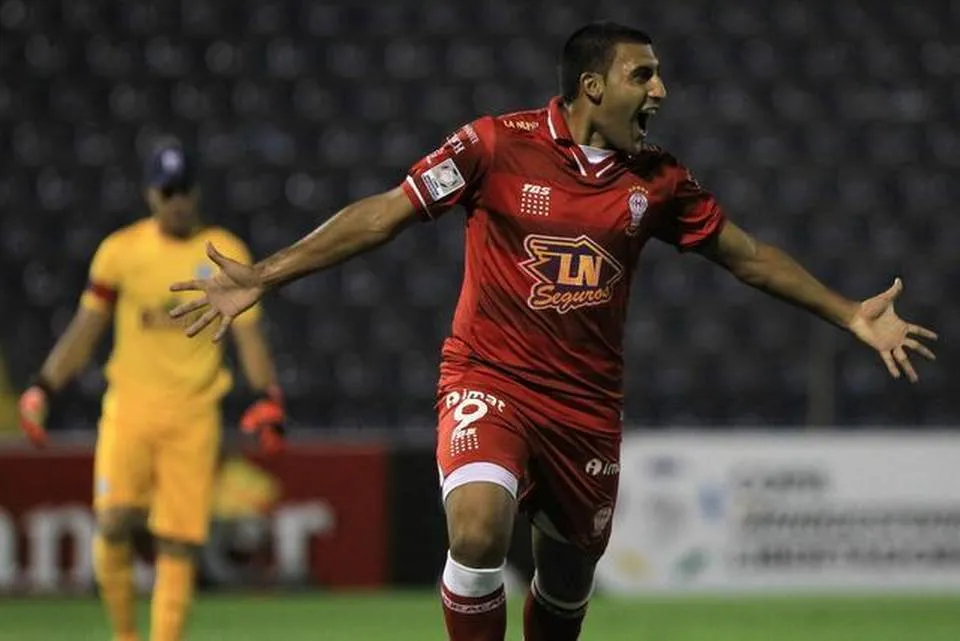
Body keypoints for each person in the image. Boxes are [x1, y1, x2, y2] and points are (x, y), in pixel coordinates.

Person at [168, 22, 937, 641]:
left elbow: (748, 257)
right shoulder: (494, 145)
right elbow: (386, 211)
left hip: (586, 409)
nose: (661, 90)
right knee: (475, 532)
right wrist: (266, 273)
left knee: (565, 589)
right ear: (592, 86)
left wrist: (848, 312)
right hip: (488, 378)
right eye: (645, 75)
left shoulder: (658, 180)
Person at [18, 137, 286, 641]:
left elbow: (250, 334)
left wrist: (267, 397)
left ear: (197, 192)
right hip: (130, 410)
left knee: (178, 542)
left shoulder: (226, 252)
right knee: (115, 523)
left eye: (184, 189)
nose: (177, 201)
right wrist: (43, 387)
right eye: (168, 191)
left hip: (194, 414)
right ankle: (125, 634)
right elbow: (85, 328)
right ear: (150, 195)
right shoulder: (120, 252)